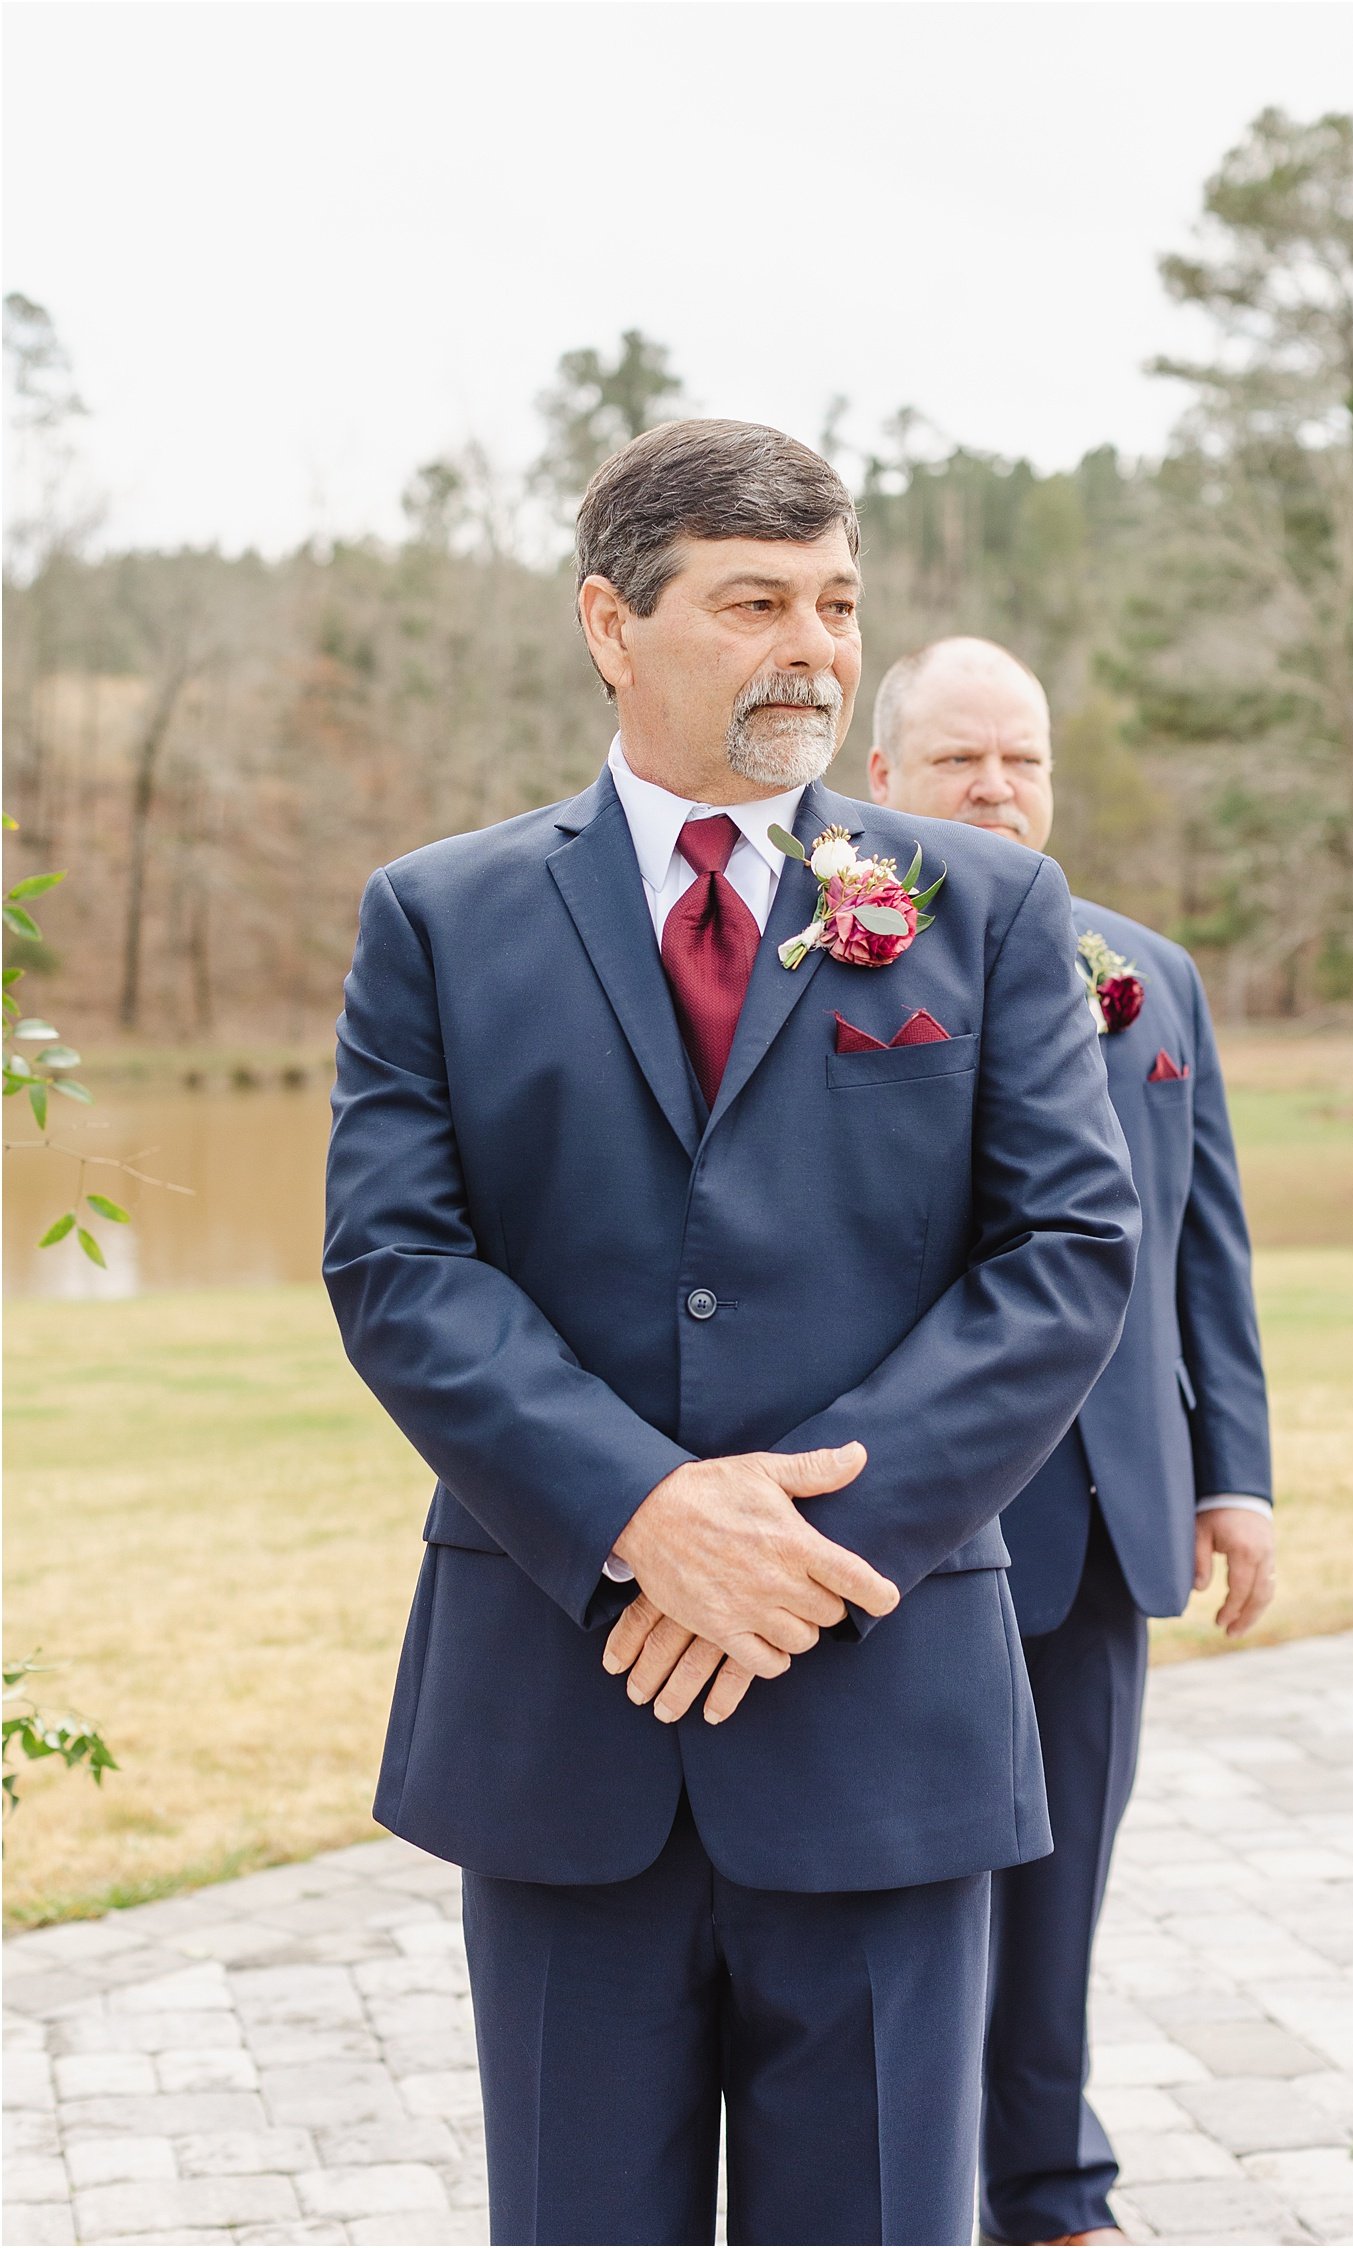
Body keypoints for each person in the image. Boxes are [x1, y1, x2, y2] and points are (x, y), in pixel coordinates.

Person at [325, 427, 1140, 2248]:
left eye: (838, 605)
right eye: (754, 602)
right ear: (613, 624)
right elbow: (397, 1266)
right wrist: (643, 1516)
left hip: (883, 1716)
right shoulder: (439, 921)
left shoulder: (984, 908)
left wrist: (797, 1551)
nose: (813, 649)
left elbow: (1071, 1251)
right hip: (567, 1706)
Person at [869, 636, 1275, 2248]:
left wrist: (1232, 1475)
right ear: (880, 778)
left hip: (1109, 1517)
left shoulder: (1147, 974)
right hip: (904, 1530)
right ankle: (896, 2196)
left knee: (1059, 1901)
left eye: (1021, 760)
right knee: (906, 1898)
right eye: (961, 759)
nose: (996, 788)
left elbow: (1204, 1254)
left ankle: (1049, 2197)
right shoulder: (830, 964)